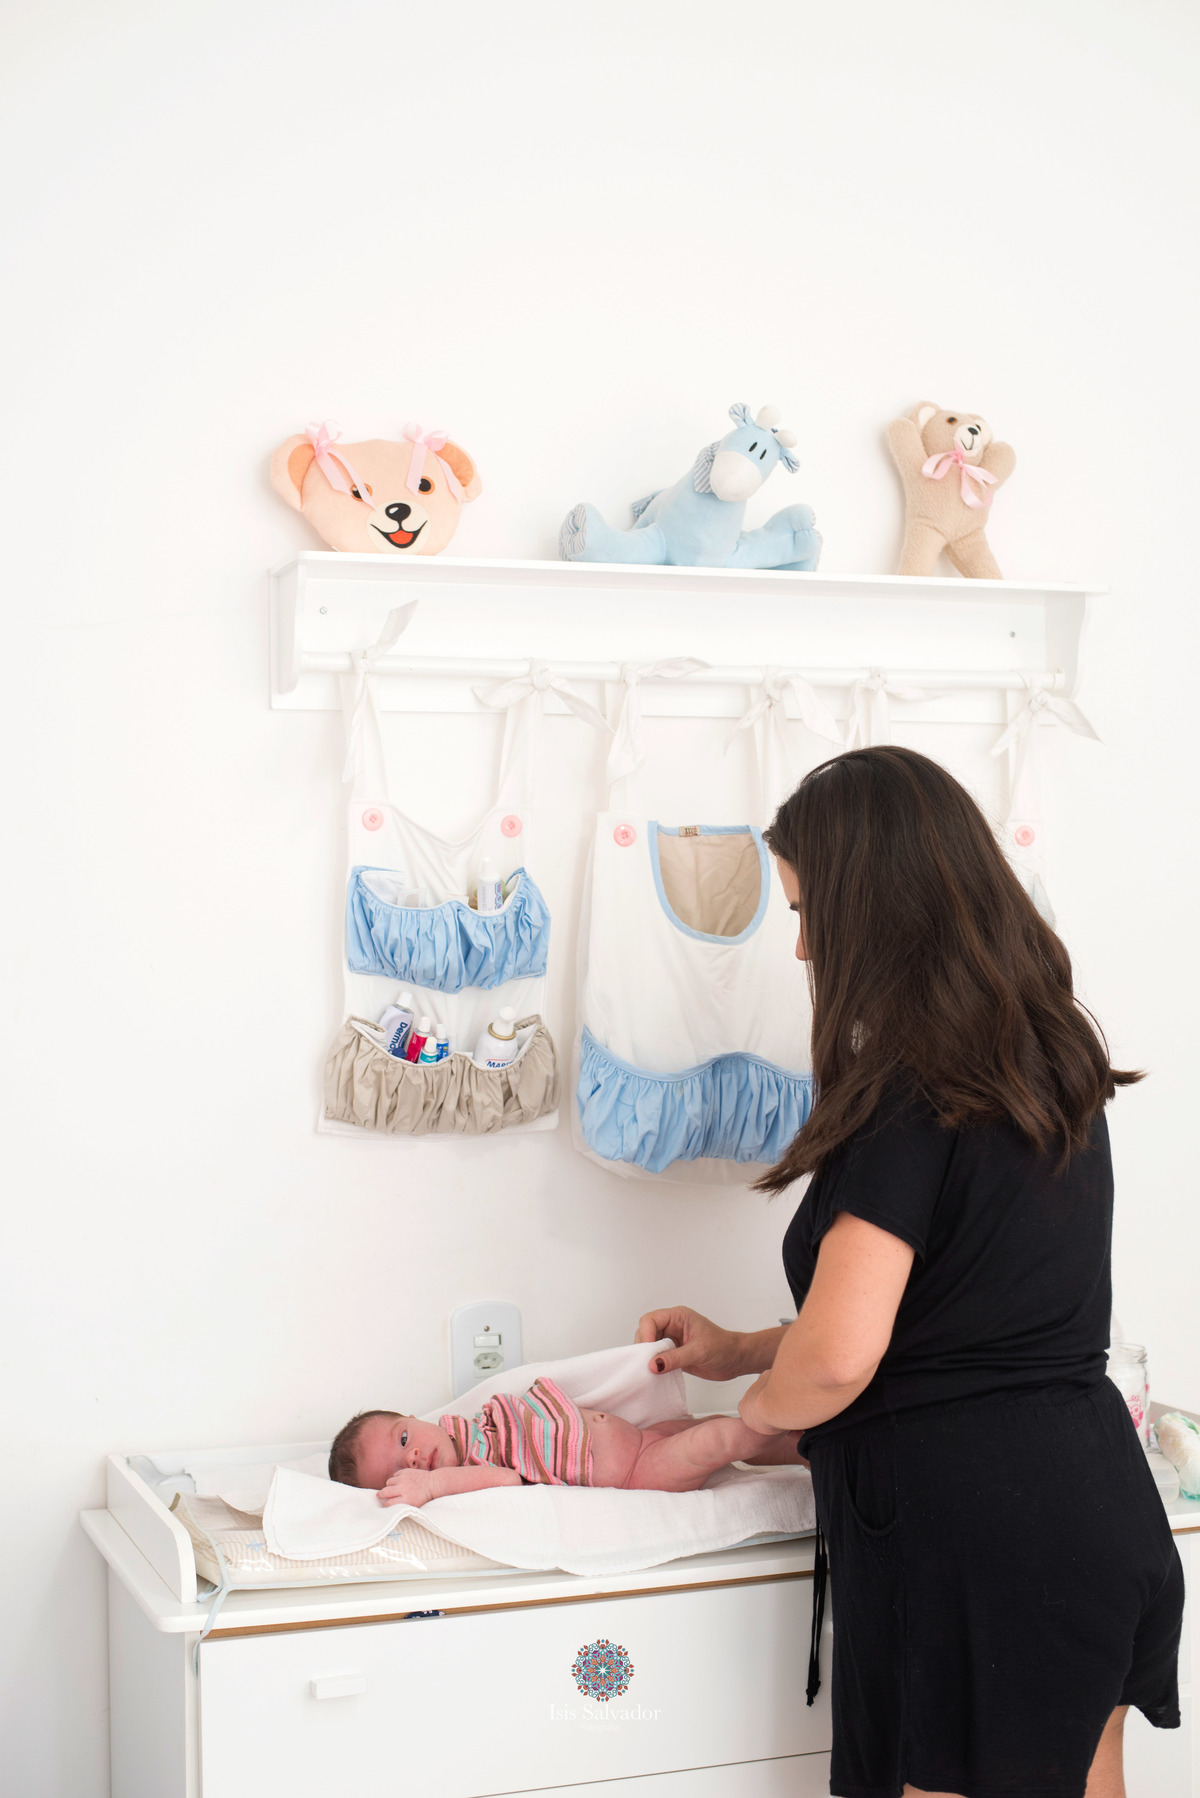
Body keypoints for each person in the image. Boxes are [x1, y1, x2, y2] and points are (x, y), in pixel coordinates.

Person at [636, 746, 1183, 1798]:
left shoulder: (906, 1089)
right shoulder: (1048, 1060)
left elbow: (841, 1357)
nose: (802, 945)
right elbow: (954, 1317)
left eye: (808, 911)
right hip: (1097, 1502)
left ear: (873, 907)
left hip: (975, 1538)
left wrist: (743, 1421)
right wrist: (741, 1348)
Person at [329, 1373, 807, 1505]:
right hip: (638, 1471)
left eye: (403, 1437)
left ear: (415, 1418)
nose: (412, 1456)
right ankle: (790, 1400)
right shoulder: (467, 1474)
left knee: (721, 1426)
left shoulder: (467, 1425)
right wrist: (431, 1486)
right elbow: (506, 1480)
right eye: (400, 1472)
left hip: (641, 1435)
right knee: (720, 1441)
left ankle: (811, 1446)